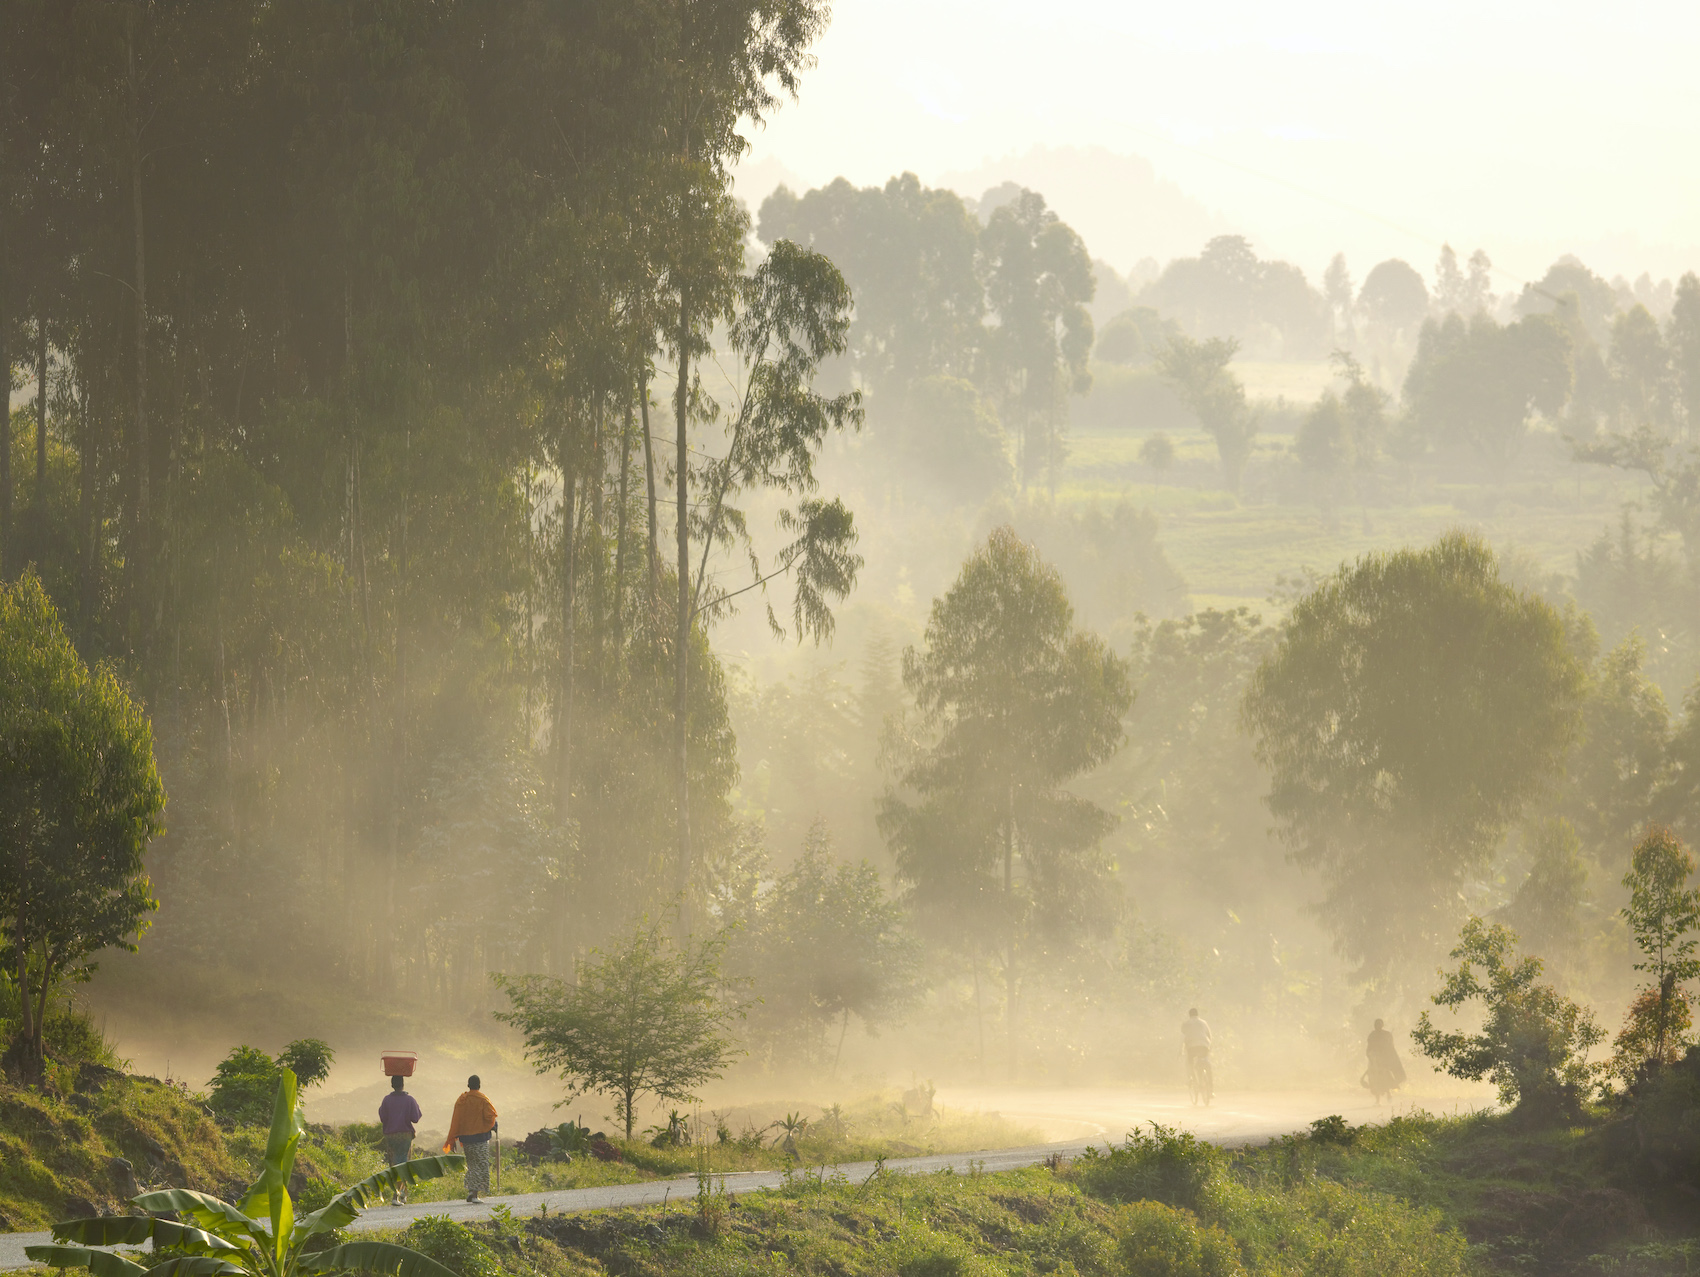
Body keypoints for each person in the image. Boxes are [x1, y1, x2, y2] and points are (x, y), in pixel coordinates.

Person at [444, 1074, 499, 1203]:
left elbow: (457, 1119)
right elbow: (490, 1117)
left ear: (468, 1085)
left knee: (472, 1164)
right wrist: (494, 1125)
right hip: (480, 1138)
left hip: (466, 1139)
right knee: (481, 1165)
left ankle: (470, 1191)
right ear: (479, 1085)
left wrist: (455, 1137)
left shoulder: (462, 1100)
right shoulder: (483, 1099)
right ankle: (474, 1195)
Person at [377, 1075, 423, 1205]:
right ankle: (397, 1195)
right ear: (403, 1085)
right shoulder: (409, 1100)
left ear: (392, 1085)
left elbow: (382, 1117)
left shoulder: (386, 1100)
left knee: (394, 1164)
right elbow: (415, 1118)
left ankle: (401, 1194)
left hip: (391, 1136)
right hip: (404, 1136)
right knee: (403, 1163)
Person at [1363, 1018, 1407, 1104]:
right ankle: (1377, 1100)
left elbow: (1390, 1048)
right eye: (1376, 1024)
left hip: (1384, 1060)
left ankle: (1389, 1092)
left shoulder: (1387, 1035)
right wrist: (1370, 1057)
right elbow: (1369, 1048)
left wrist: (1386, 1056)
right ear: (1374, 1026)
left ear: (1382, 1025)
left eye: (1379, 1024)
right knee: (1373, 1079)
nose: (1378, 1026)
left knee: (1385, 1077)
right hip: (1373, 1059)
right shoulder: (1372, 1035)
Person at [1181, 1007, 1213, 1100]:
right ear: (1197, 1015)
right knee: (1207, 1065)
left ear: (1189, 1015)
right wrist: (1209, 1048)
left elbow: (1182, 1037)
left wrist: (1181, 1050)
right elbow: (1209, 1036)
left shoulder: (1186, 1024)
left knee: (1189, 1063)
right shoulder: (1204, 1022)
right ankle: (1211, 1090)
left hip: (1191, 1047)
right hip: (1204, 1046)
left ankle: (1192, 1080)